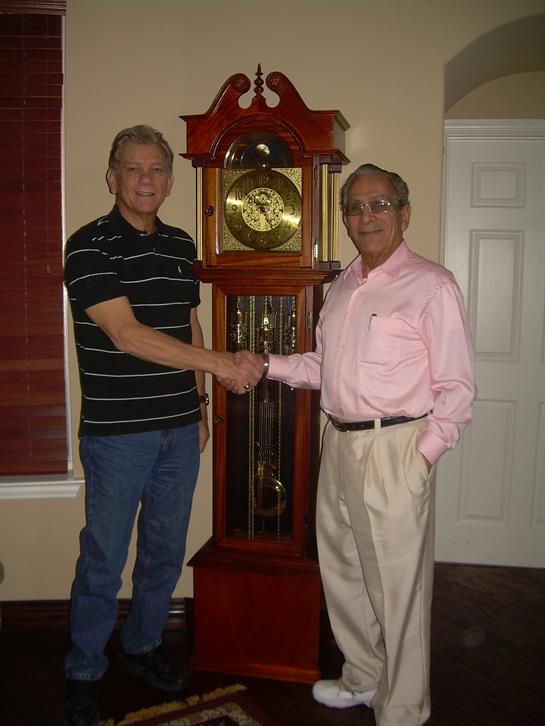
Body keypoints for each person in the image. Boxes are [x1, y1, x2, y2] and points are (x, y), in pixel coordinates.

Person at [241, 163, 475, 726]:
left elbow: (458, 388)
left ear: (404, 213)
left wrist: (421, 458)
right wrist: (266, 363)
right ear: (345, 218)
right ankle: (363, 678)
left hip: (395, 448)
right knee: (344, 573)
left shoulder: (433, 284)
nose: (367, 216)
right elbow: (323, 366)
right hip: (339, 444)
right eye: (356, 207)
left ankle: (405, 708)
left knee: (398, 589)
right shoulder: (342, 286)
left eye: (380, 204)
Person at [62, 124, 263, 726]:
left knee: (163, 551)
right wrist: (223, 365)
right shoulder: (88, 246)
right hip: (118, 435)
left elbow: (186, 326)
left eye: (155, 169)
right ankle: (84, 670)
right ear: (112, 177)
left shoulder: (180, 245)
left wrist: (199, 406)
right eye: (133, 168)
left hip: (178, 429)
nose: (145, 179)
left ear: (170, 182)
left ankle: (144, 644)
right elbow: (127, 335)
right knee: (103, 558)